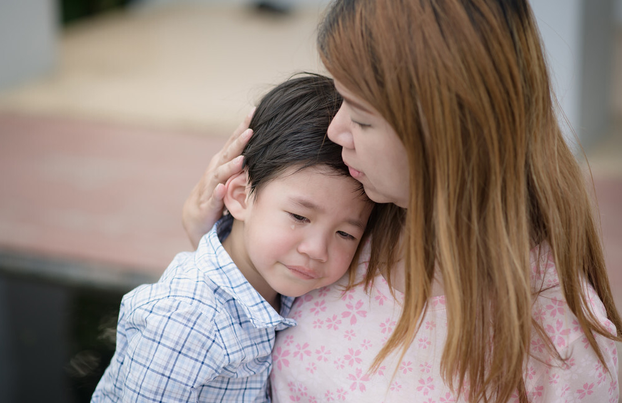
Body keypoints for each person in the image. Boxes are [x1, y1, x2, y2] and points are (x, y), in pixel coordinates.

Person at [183, 1, 622, 402]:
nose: (335, 132)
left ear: (441, 134)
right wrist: (219, 245)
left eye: (360, 117)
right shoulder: (354, 216)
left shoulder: (557, 344)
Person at [92, 74, 376, 402]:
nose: (317, 250)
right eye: (299, 217)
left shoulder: (283, 290)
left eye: (345, 233)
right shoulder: (186, 321)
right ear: (240, 196)